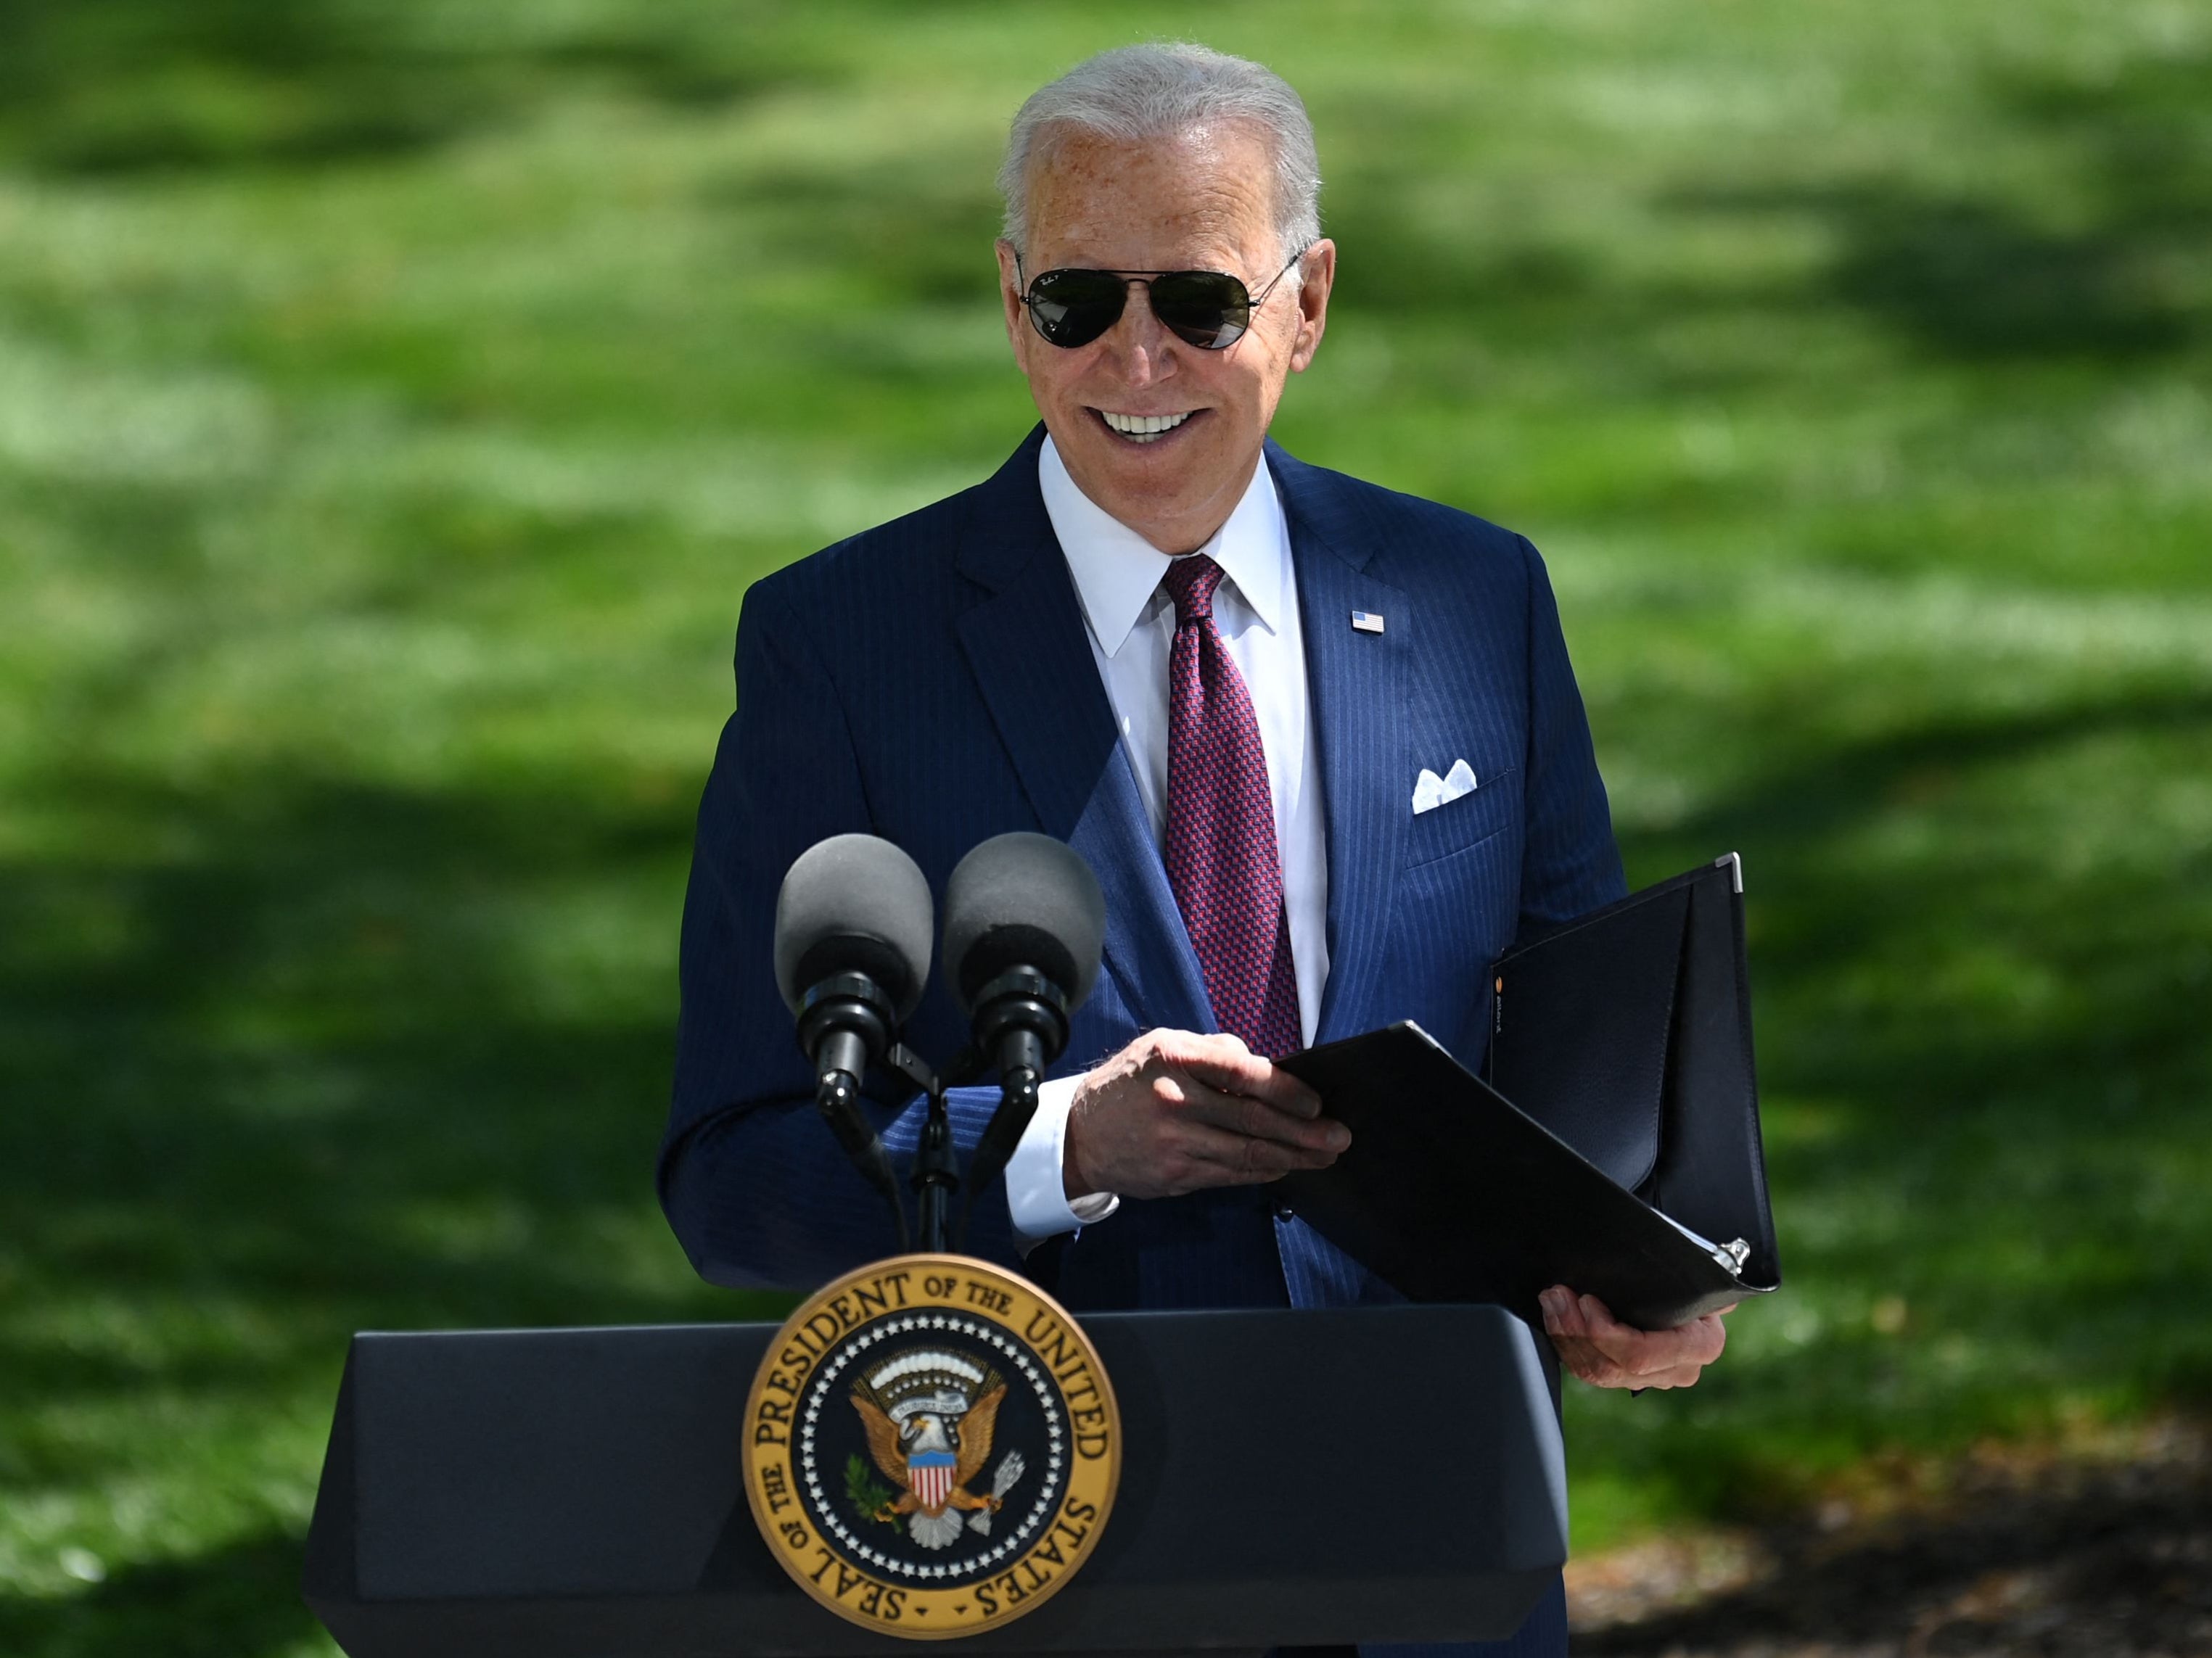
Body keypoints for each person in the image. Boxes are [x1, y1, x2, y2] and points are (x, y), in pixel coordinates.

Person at [662, 43, 1730, 1656]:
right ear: (1011, 301)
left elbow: (1582, 1057)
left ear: (1305, 305)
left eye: (1201, 304)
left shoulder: (1471, 599)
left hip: (1431, 1538)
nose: (1136, 356)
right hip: (1040, 1541)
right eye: (1079, 301)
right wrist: (1062, 1144)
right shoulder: (841, 645)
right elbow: (733, 1174)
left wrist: (1646, 1283)